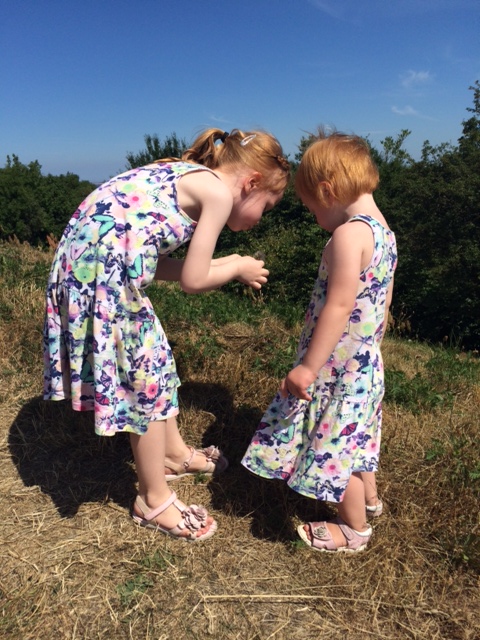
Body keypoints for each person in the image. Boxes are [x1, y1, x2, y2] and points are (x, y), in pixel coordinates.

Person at [43, 128, 290, 542]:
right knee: (146, 378)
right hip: (103, 281)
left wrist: (228, 261)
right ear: (251, 183)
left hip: (85, 271)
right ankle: (152, 498)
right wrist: (236, 266)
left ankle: (172, 454)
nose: (260, 219)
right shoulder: (218, 194)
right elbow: (194, 280)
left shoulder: (183, 173)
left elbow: (153, 263)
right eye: (266, 207)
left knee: (155, 358)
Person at [241, 129, 397, 552]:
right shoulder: (385, 233)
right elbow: (382, 303)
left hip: (336, 365)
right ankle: (369, 499)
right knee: (356, 435)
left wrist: (308, 367)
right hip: (364, 361)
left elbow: (339, 305)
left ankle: (354, 529)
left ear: (327, 191)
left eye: (312, 208)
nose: (314, 217)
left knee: (336, 445)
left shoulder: (348, 235)